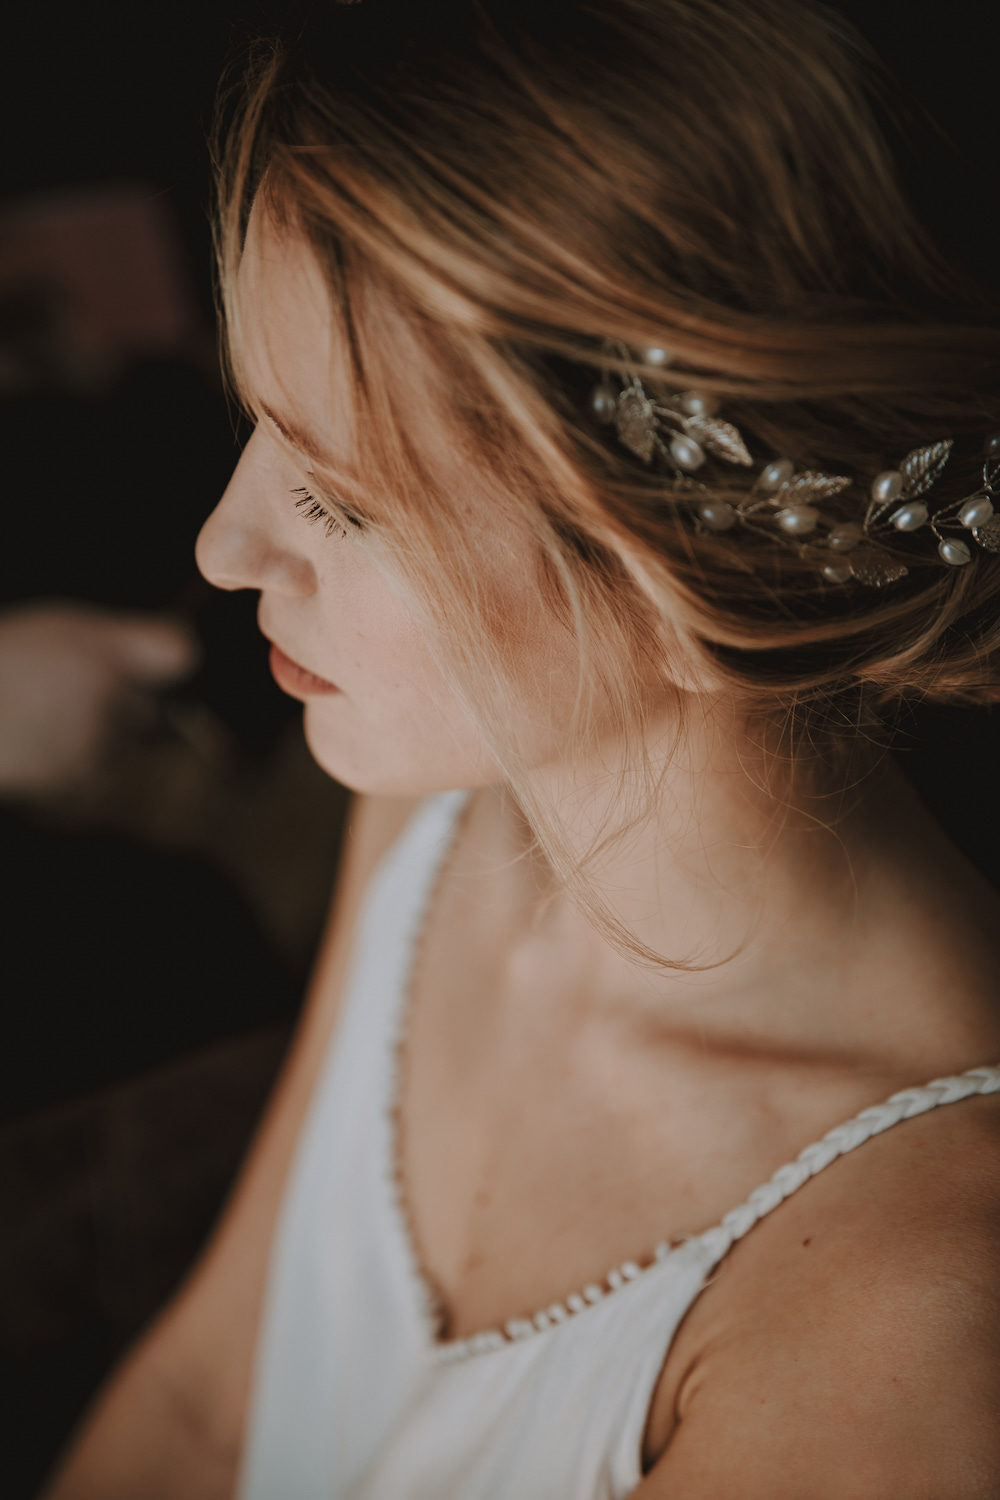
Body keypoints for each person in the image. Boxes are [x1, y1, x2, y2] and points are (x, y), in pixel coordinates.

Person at [40, 1, 1000, 1495]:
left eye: (345, 501)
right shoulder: (440, 816)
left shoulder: (908, 1317)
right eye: (258, 425)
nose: (225, 547)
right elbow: (205, 1406)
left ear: (702, 583)